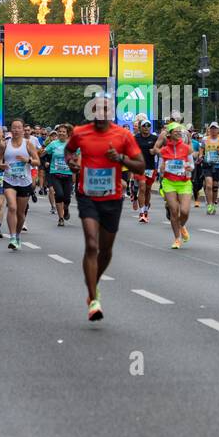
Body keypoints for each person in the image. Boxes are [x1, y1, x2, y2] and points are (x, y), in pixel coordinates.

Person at [64, 96, 145, 321]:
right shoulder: (80, 132)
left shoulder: (123, 135)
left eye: (106, 109)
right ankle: (93, 299)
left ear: (112, 113)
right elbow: (68, 151)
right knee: (92, 244)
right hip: (87, 196)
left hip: (112, 197)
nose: (102, 113)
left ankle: (94, 281)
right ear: (93, 112)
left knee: (106, 250)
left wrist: (120, 158)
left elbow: (141, 165)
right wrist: (72, 161)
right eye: (98, 109)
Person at [0, 118, 38, 249]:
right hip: (9, 180)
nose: (16, 130)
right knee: (12, 207)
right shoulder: (4, 144)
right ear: (11, 129)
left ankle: (18, 235)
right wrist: (1, 165)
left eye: (19, 128)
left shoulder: (28, 144)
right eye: (14, 128)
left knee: (21, 214)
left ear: (23, 129)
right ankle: (13, 237)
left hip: (24, 181)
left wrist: (28, 160)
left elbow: (38, 161)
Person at [154, 123, 195, 248]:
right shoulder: (164, 150)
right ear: (170, 134)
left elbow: (192, 166)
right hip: (169, 182)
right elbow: (161, 169)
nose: (178, 133)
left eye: (179, 131)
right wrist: (161, 168)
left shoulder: (186, 148)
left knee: (184, 211)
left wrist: (189, 167)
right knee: (173, 210)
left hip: (184, 183)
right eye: (176, 131)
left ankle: (181, 226)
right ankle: (177, 238)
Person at [43, 124, 75, 226]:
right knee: (59, 195)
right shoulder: (53, 144)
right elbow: (43, 152)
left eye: (63, 132)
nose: (61, 133)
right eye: (59, 131)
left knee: (67, 198)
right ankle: (61, 218)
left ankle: (66, 209)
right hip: (55, 173)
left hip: (68, 174)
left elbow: (79, 156)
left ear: (67, 134)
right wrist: (38, 153)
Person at [133, 117, 160, 223]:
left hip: (150, 167)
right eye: (144, 125)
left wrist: (155, 151)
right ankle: (141, 212)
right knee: (142, 187)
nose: (146, 127)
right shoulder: (136, 137)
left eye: (148, 125)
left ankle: (146, 210)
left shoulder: (154, 138)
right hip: (139, 167)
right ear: (140, 127)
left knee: (148, 189)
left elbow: (160, 149)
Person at [201, 122, 219, 214]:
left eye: (215, 128)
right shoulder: (205, 139)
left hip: (218, 165)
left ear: (218, 130)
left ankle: (214, 203)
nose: (213, 130)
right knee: (208, 185)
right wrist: (200, 156)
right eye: (211, 128)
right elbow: (202, 149)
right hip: (207, 165)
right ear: (209, 130)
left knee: (215, 186)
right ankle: (209, 205)